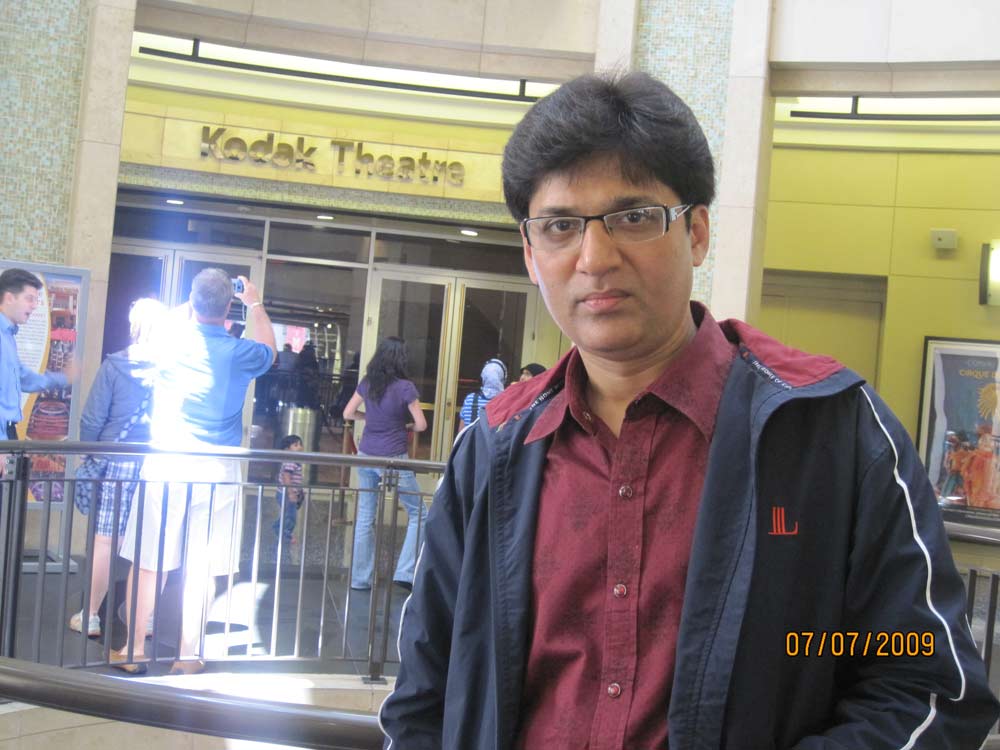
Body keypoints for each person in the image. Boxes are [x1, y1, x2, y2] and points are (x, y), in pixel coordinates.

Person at [379, 72, 1000, 748]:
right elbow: (423, 699)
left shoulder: (831, 430)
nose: (595, 258)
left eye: (634, 217)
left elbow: (927, 687)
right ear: (531, 254)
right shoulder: (494, 448)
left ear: (697, 232)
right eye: (560, 226)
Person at [113, 270, 275, 675]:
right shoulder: (239, 352)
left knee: (149, 560)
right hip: (217, 469)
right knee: (201, 567)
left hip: (166, 460)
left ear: (191, 301)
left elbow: (169, 320)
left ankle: (132, 649)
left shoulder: (168, 340)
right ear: (229, 307)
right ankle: (187, 655)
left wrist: (195, 298)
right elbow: (270, 350)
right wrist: (253, 302)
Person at [71, 298, 165, 638]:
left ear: (133, 326)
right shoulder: (171, 369)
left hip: (116, 461)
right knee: (152, 544)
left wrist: (89, 453)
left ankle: (91, 615)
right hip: (156, 463)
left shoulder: (114, 366)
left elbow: (92, 417)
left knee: (105, 542)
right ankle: (142, 617)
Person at [342, 337, 426, 591]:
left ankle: (360, 578)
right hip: (393, 457)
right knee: (420, 513)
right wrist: (405, 425)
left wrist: (368, 418)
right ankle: (405, 571)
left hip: (366, 454)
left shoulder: (368, 383)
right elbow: (421, 425)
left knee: (365, 516)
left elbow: (347, 413)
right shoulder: (405, 387)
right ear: (401, 359)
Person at [0, 269, 74, 475]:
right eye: (29, 299)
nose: (34, 305)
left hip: (8, 434)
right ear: (9, 297)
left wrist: (63, 378)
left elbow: (23, 377)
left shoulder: (7, 336)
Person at [272, 433, 305, 547]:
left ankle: (278, 527)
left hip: (288, 493)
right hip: (286, 494)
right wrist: (290, 493)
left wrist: (299, 491)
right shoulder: (290, 461)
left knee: (288, 514)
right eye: (296, 445)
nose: (300, 447)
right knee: (291, 516)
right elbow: (286, 477)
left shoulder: (294, 461)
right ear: (287, 449)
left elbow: (294, 479)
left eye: (300, 444)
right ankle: (286, 534)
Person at [456, 358, 506, 430]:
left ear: (483, 376)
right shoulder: (507, 402)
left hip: (472, 437)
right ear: (502, 378)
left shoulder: (470, 399)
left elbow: (461, 432)